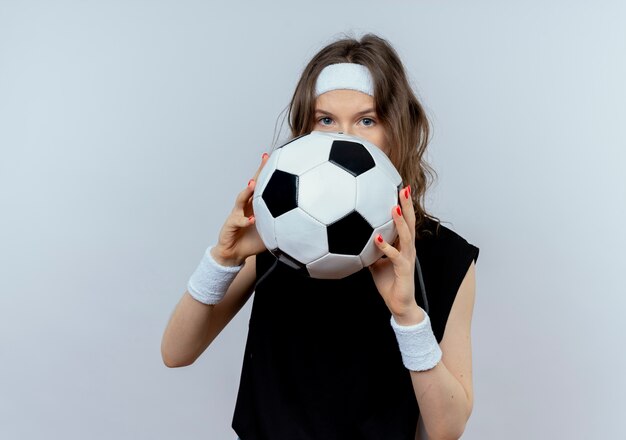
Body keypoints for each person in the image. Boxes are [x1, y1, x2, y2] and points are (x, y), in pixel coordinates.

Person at [161, 33, 480, 440]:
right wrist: (222, 259)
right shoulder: (277, 234)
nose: (342, 137)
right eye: (325, 120)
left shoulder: (446, 255)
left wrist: (408, 316)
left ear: (399, 129)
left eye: (367, 120)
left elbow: (446, 430)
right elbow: (176, 352)